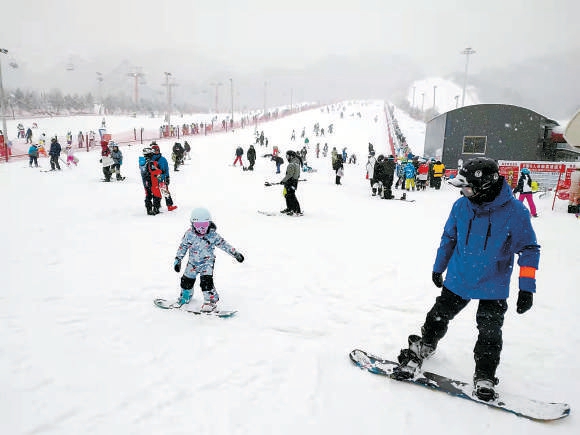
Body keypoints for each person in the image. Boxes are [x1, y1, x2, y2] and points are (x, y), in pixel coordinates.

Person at [393, 157, 540, 402]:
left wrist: (527, 288)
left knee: (490, 333)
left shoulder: (515, 212)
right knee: (436, 317)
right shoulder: (461, 206)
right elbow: (449, 237)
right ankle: (425, 345)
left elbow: (529, 249)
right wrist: (438, 268)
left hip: (494, 284)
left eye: (467, 187)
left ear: (484, 185)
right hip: (459, 277)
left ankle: (485, 374)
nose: (463, 191)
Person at [173, 207, 245, 312]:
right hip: (192, 263)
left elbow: (224, 244)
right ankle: (185, 296)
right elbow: (183, 246)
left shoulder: (213, 235)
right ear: (193, 224)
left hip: (207, 263)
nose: (202, 228)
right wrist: (178, 259)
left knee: (206, 282)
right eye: (198, 225)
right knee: (186, 281)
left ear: (209, 223)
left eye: (205, 225)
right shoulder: (189, 234)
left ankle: (210, 302)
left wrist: (235, 253)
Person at [151, 143, 177, 211]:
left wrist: (167, 177)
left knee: (165, 192)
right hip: (154, 179)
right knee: (155, 193)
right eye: (155, 150)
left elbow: (166, 169)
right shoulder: (151, 160)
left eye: (157, 150)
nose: (156, 151)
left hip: (162, 178)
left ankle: (169, 206)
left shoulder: (163, 159)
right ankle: (157, 206)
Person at [139, 147, 162, 215]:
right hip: (153, 181)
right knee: (156, 195)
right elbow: (154, 171)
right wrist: (160, 170)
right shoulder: (151, 162)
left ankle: (149, 210)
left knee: (148, 195)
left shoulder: (142, 162)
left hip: (145, 182)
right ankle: (156, 209)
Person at [279, 150, 302, 216]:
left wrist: (283, 181)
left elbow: (289, 174)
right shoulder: (296, 162)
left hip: (290, 181)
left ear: (291, 156)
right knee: (287, 195)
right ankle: (290, 208)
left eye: (287, 156)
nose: (287, 158)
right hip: (293, 181)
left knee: (291, 196)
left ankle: (296, 210)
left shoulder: (292, 164)